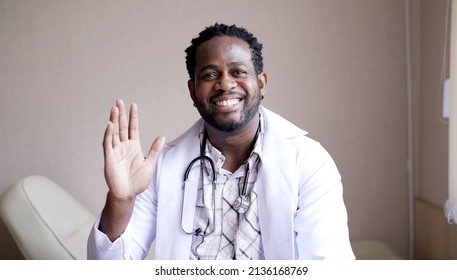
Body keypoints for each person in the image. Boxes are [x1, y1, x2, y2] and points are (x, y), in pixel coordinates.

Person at [87, 23, 355, 260]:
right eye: (210, 75)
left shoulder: (307, 160)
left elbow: (327, 262)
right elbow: (110, 268)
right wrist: (121, 200)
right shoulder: (162, 167)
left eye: (238, 71)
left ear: (261, 83)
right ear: (193, 90)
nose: (225, 84)